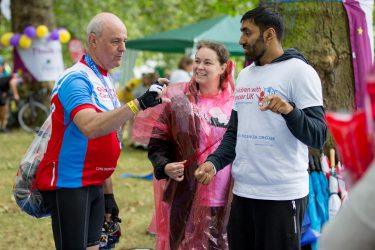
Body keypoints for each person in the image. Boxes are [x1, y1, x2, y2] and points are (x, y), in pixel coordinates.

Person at [194, 7, 327, 250]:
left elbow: (318, 136)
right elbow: (235, 133)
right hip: (244, 194)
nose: (241, 39)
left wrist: (290, 112)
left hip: (282, 196)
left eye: (247, 32)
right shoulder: (245, 75)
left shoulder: (300, 73)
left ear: (269, 34)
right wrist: (213, 163)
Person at [35, 12, 168, 250]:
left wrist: (108, 194)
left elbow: (109, 135)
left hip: (95, 181)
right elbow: (91, 126)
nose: (123, 48)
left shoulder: (104, 79)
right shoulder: (76, 78)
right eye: (115, 41)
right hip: (70, 182)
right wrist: (139, 104)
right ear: (93, 41)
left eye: (124, 41)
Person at [146, 40, 235, 250]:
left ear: (223, 67)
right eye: (197, 61)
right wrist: (164, 166)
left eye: (207, 62)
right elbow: (157, 145)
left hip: (225, 200)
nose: (200, 67)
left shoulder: (236, 104)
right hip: (185, 198)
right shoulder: (178, 103)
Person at [0, 58, 21, 132]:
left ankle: (3, 126)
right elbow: (12, 82)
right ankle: (3, 126)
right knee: (3, 107)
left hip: (3, 94)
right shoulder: (12, 78)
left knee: (4, 108)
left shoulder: (6, 74)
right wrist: (16, 94)